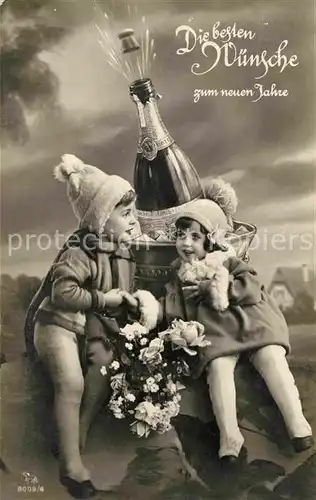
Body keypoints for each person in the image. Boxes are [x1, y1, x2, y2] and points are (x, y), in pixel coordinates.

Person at [129, 178, 313, 464]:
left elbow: (250, 288)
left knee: (272, 358)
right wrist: (151, 308)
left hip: (250, 321)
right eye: (181, 235)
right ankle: (230, 436)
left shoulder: (227, 261)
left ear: (211, 239)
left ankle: (297, 423)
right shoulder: (180, 274)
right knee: (218, 369)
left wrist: (217, 289)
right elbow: (174, 304)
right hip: (218, 334)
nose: (186, 243)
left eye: (194, 236)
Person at [25, 154, 159, 498]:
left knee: (103, 372)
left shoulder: (122, 250)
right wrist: (106, 300)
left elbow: (122, 290)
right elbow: (63, 293)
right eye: (125, 214)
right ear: (101, 219)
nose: (133, 222)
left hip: (89, 327)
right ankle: (71, 468)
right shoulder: (80, 250)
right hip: (56, 324)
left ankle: (76, 435)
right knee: (70, 382)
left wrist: (129, 300)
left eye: (133, 213)